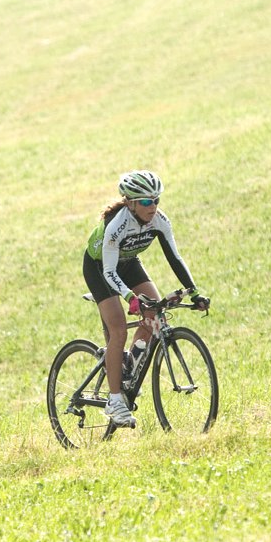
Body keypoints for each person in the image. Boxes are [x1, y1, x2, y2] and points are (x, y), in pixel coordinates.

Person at [84, 171, 210, 427]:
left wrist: (194, 291)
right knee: (118, 329)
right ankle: (115, 401)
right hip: (100, 269)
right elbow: (109, 272)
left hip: (129, 264)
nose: (152, 206)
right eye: (145, 201)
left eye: (156, 200)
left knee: (155, 312)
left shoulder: (159, 221)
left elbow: (175, 258)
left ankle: (128, 363)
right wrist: (130, 297)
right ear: (130, 203)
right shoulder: (116, 225)